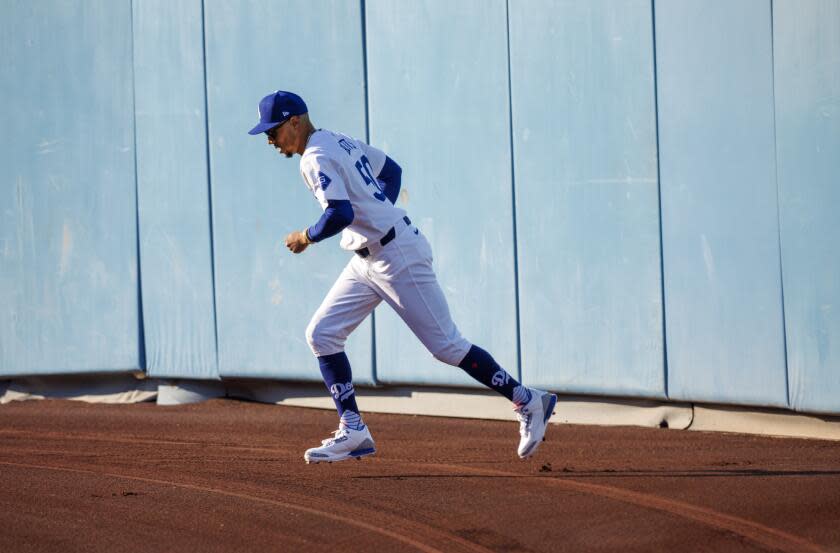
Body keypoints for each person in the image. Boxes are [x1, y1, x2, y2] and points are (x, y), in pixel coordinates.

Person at [248, 90, 557, 464]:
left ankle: (528, 400)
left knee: (448, 347)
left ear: (295, 122)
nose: (270, 139)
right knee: (322, 333)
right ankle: (353, 429)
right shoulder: (336, 140)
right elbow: (391, 171)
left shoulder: (314, 157)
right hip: (368, 257)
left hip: (397, 257)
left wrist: (306, 236)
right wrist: (380, 211)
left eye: (273, 130)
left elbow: (340, 213)